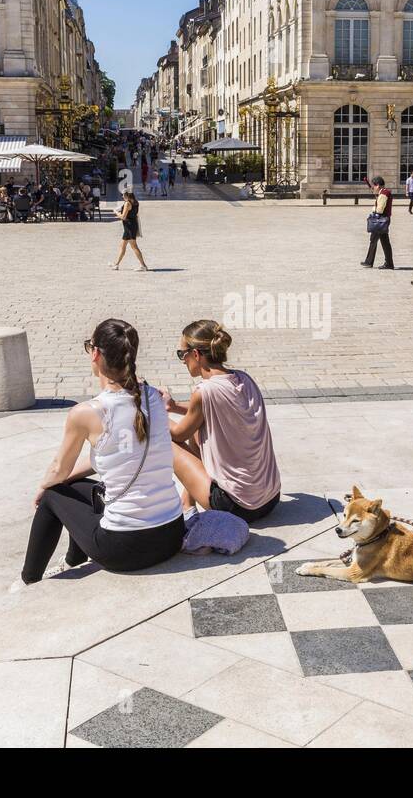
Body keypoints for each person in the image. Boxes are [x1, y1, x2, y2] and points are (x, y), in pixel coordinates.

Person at [20, 320, 185, 583]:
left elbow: (58, 470)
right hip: (171, 535)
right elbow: (112, 458)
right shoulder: (154, 397)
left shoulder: (87, 413)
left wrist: (44, 486)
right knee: (78, 486)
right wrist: (66, 478)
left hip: (125, 549)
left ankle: (29, 579)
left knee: (53, 495)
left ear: (95, 354)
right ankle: (74, 560)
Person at [162, 320, 282, 523]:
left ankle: (186, 506)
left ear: (196, 355)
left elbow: (178, 433)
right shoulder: (244, 379)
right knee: (198, 429)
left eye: (182, 354)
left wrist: (154, 410)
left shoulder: (204, 391)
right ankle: (187, 504)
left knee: (168, 441)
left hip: (237, 507)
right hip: (270, 499)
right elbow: (206, 410)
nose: (182, 360)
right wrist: (173, 406)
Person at [363, 175, 394, 270]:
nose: (373, 187)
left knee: (379, 241)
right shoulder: (383, 192)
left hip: (380, 220)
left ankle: (372, 262)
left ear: (378, 185)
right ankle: (385, 262)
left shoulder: (384, 193)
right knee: (379, 241)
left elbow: (380, 209)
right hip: (383, 220)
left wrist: (374, 208)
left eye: (374, 185)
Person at [111, 190, 148, 271]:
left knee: (134, 247)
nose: (122, 197)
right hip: (131, 226)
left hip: (129, 227)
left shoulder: (127, 203)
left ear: (127, 195)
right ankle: (116, 264)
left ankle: (143, 266)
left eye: (123, 195)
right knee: (122, 246)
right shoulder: (136, 202)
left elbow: (123, 217)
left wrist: (116, 212)